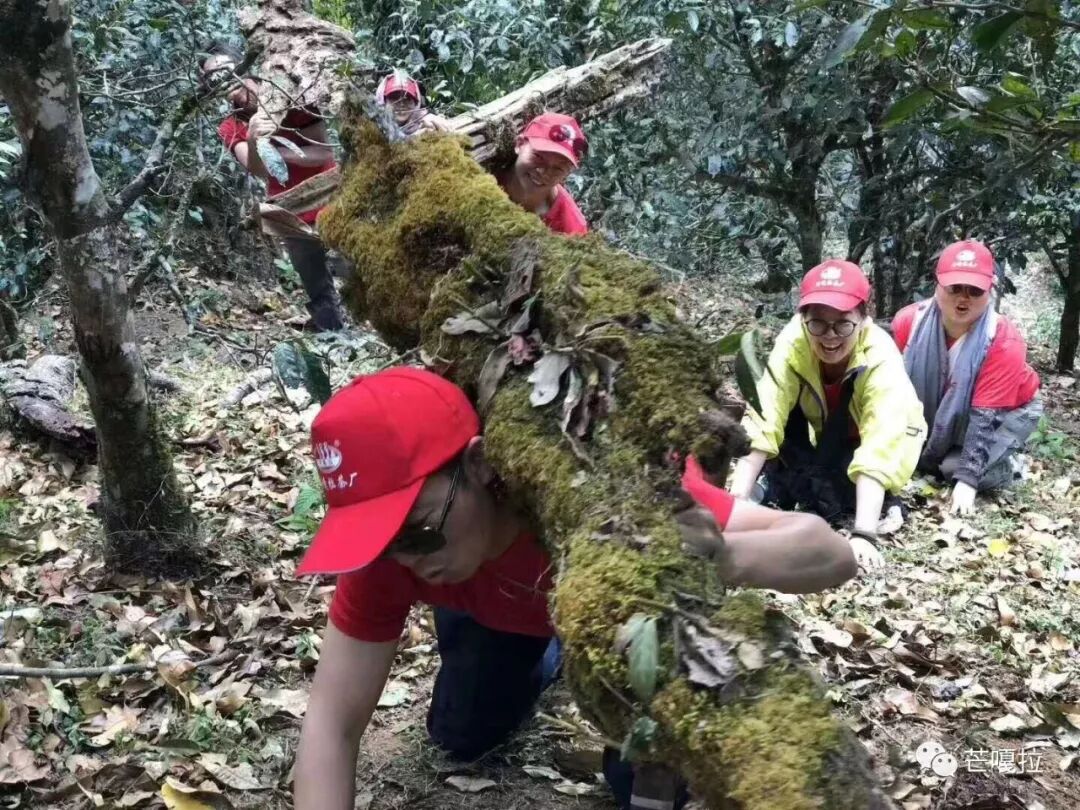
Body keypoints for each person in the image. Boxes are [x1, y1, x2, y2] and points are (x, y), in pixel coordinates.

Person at [292, 366, 857, 810]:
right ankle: (553, 657)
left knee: (642, 773)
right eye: (381, 541)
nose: (407, 560)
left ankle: (574, 647)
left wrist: (717, 556)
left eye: (419, 530)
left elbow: (831, 553)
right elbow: (332, 722)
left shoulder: (598, 494)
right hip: (495, 617)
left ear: (480, 464)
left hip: (613, 619)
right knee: (461, 734)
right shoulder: (391, 553)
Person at [728, 260, 927, 570]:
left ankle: (887, 501)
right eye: (818, 323)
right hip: (825, 429)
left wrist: (863, 534)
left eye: (843, 324)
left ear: (863, 319)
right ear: (803, 319)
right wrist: (735, 502)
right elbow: (765, 414)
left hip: (880, 436)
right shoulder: (794, 341)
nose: (830, 336)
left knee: (837, 497)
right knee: (802, 487)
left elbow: (882, 439)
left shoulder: (880, 356)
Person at [199, 42, 345, 332]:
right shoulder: (230, 126)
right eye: (214, 78)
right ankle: (332, 334)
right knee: (313, 278)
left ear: (243, 66)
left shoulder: (290, 96)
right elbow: (258, 169)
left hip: (328, 194)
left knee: (354, 263)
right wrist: (254, 138)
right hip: (288, 209)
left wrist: (278, 150)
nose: (225, 81)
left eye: (227, 71)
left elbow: (322, 152)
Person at [891, 240, 1042, 515]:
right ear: (937, 284)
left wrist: (969, 480)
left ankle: (1010, 465)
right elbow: (890, 390)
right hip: (947, 404)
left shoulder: (1003, 339)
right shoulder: (908, 322)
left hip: (1009, 410)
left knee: (953, 470)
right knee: (909, 458)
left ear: (989, 290)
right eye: (955, 287)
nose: (963, 298)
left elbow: (985, 417)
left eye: (974, 290)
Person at [498, 112, 589, 235]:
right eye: (538, 157)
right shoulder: (481, 177)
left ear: (567, 173)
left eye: (558, 168)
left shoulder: (571, 229)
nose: (543, 172)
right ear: (519, 144)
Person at [374, 69, 451, 135]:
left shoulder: (425, 121)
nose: (401, 103)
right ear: (383, 102)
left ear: (416, 104)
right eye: (394, 97)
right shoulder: (373, 126)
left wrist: (434, 122)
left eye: (407, 98)